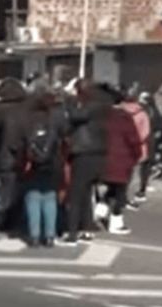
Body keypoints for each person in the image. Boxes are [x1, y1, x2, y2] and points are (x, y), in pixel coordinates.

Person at [13, 87, 65, 247]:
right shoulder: (56, 118)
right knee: (49, 198)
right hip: (52, 164)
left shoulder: (26, 121)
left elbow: (18, 144)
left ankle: (34, 235)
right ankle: (49, 235)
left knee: (33, 198)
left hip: (31, 164)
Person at [63, 81, 110, 245]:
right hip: (99, 152)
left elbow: (76, 116)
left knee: (76, 194)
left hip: (85, 152)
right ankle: (87, 228)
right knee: (86, 193)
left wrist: (69, 100)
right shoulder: (104, 105)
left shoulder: (91, 106)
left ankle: (72, 233)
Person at [102, 92, 143, 236]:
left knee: (108, 186)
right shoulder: (124, 118)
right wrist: (137, 155)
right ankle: (116, 222)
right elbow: (134, 140)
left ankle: (100, 208)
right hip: (123, 159)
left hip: (103, 158)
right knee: (120, 192)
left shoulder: (102, 116)